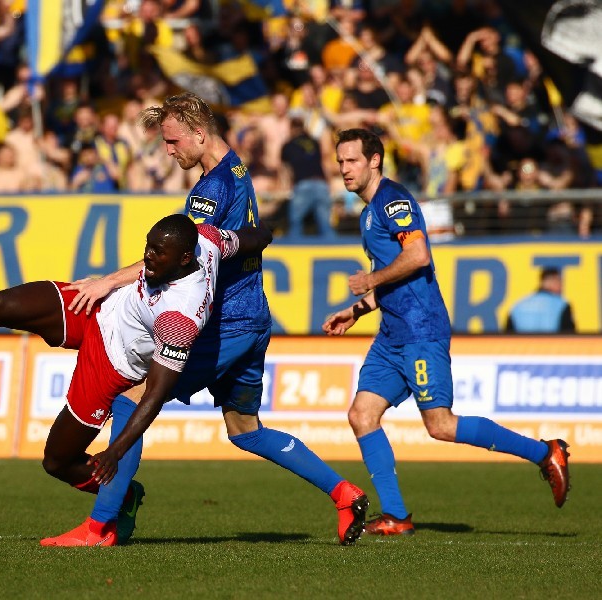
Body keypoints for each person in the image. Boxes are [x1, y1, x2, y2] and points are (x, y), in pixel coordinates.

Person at [67, 93, 370, 547]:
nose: (169, 152)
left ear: (199, 133)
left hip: (226, 325)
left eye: (172, 142)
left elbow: (175, 259)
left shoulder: (211, 190)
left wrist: (108, 282)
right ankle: (344, 494)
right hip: (253, 318)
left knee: (131, 395)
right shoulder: (235, 168)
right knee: (245, 430)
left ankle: (100, 526)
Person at [0, 214, 272, 546]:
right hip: (97, 308)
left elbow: (156, 393)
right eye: (147, 247)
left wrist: (115, 452)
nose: (147, 258)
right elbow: (249, 239)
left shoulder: (181, 317)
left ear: (185, 260)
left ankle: (125, 496)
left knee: (56, 461)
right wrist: (270, 231)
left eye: (157, 254)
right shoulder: (207, 238)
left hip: (110, 364)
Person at [322, 128, 572, 536]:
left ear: (374, 161)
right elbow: (393, 279)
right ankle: (397, 516)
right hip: (391, 333)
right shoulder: (368, 212)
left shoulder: (393, 201)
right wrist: (356, 310)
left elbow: (418, 256)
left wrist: (370, 280)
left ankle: (545, 453)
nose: (344, 169)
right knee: (361, 415)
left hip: (421, 330)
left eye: (351, 161)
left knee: (440, 425)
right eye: (340, 161)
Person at [506, 267, 576, 333]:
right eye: (559, 281)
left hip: (522, 346)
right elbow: (569, 336)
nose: (561, 286)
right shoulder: (562, 305)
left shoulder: (518, 306)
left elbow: (507, 337)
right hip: (552, 345)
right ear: (550, 281)